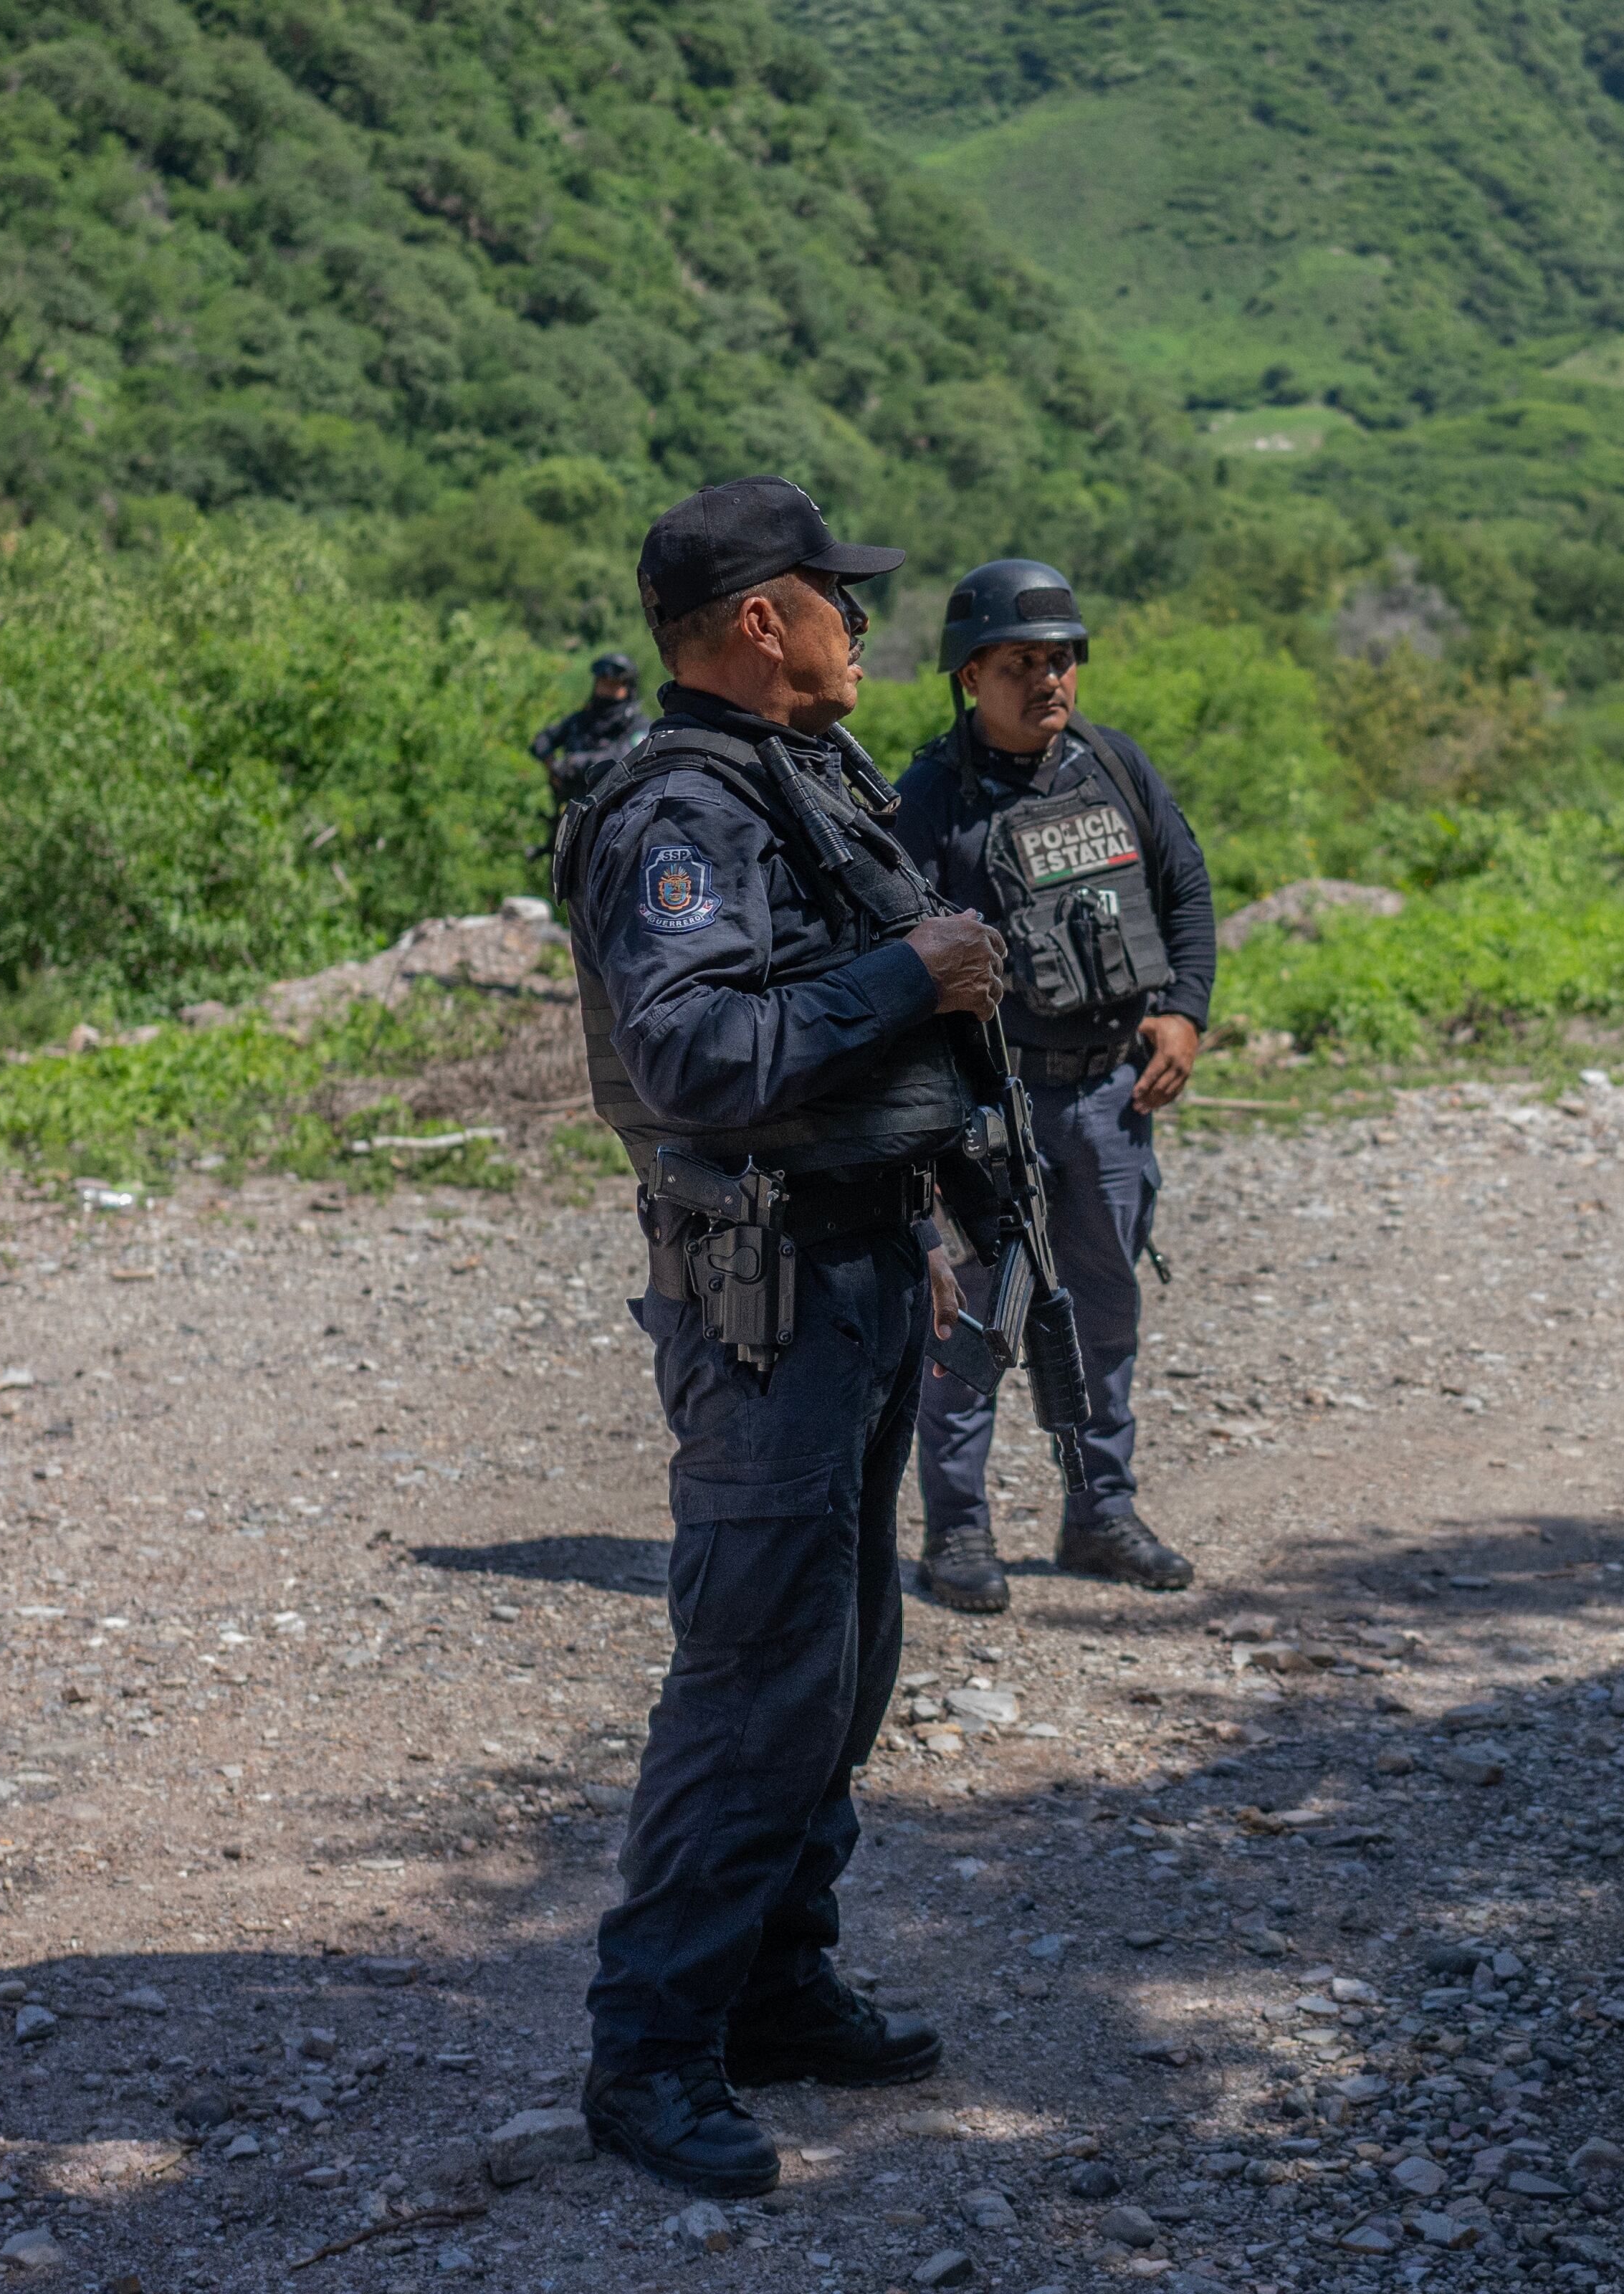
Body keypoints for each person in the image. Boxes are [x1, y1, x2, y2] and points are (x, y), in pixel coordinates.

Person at [553, 477, 1008, 2195]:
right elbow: (689, 1054)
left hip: (856, 1267)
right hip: (768, 1297)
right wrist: (917, 973)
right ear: (761, 619)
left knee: (844, 1654)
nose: (861, 619)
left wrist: (928, 1215)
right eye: (837, 592)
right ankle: (650, 2051)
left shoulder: (788, 774)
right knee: (754, 1675)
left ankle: (775, 1981)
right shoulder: (677, 803)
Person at [889, 558, 1217, 1611]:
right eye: (1022, 663)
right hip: (990, 1112)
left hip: (1111, 1100)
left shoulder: (1114, 767)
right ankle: (960, 1531)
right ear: (968, 676)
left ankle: (1099, 1513)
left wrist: (1187, 1009)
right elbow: (893, 960)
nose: (1050, 681)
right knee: (974, 1324)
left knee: (1102, 1314)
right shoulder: (930, 800)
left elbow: (1186, 887)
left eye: (1063, 659)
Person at [532, 650, 647, 809]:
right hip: (570, 811)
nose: (607, 688)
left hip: (612, 815)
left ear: (628, 688)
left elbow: (624, 758)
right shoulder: (582, 720)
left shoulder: (637, 725)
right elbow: (543, 739)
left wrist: (572, 763)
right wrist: (551, 766)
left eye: (614, 684)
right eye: (603, 682)